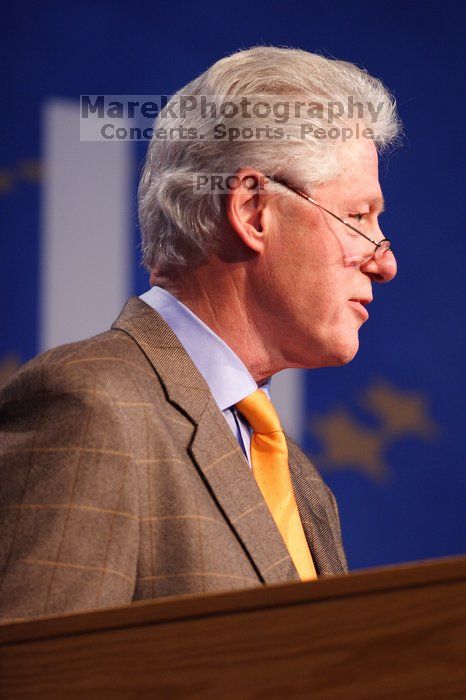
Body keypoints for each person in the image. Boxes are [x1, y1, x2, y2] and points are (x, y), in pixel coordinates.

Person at [0, 46, 399, 622]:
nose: (384, 262)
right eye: (359, 216)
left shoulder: (301, 482)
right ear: (253, 211)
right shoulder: (91, 407)